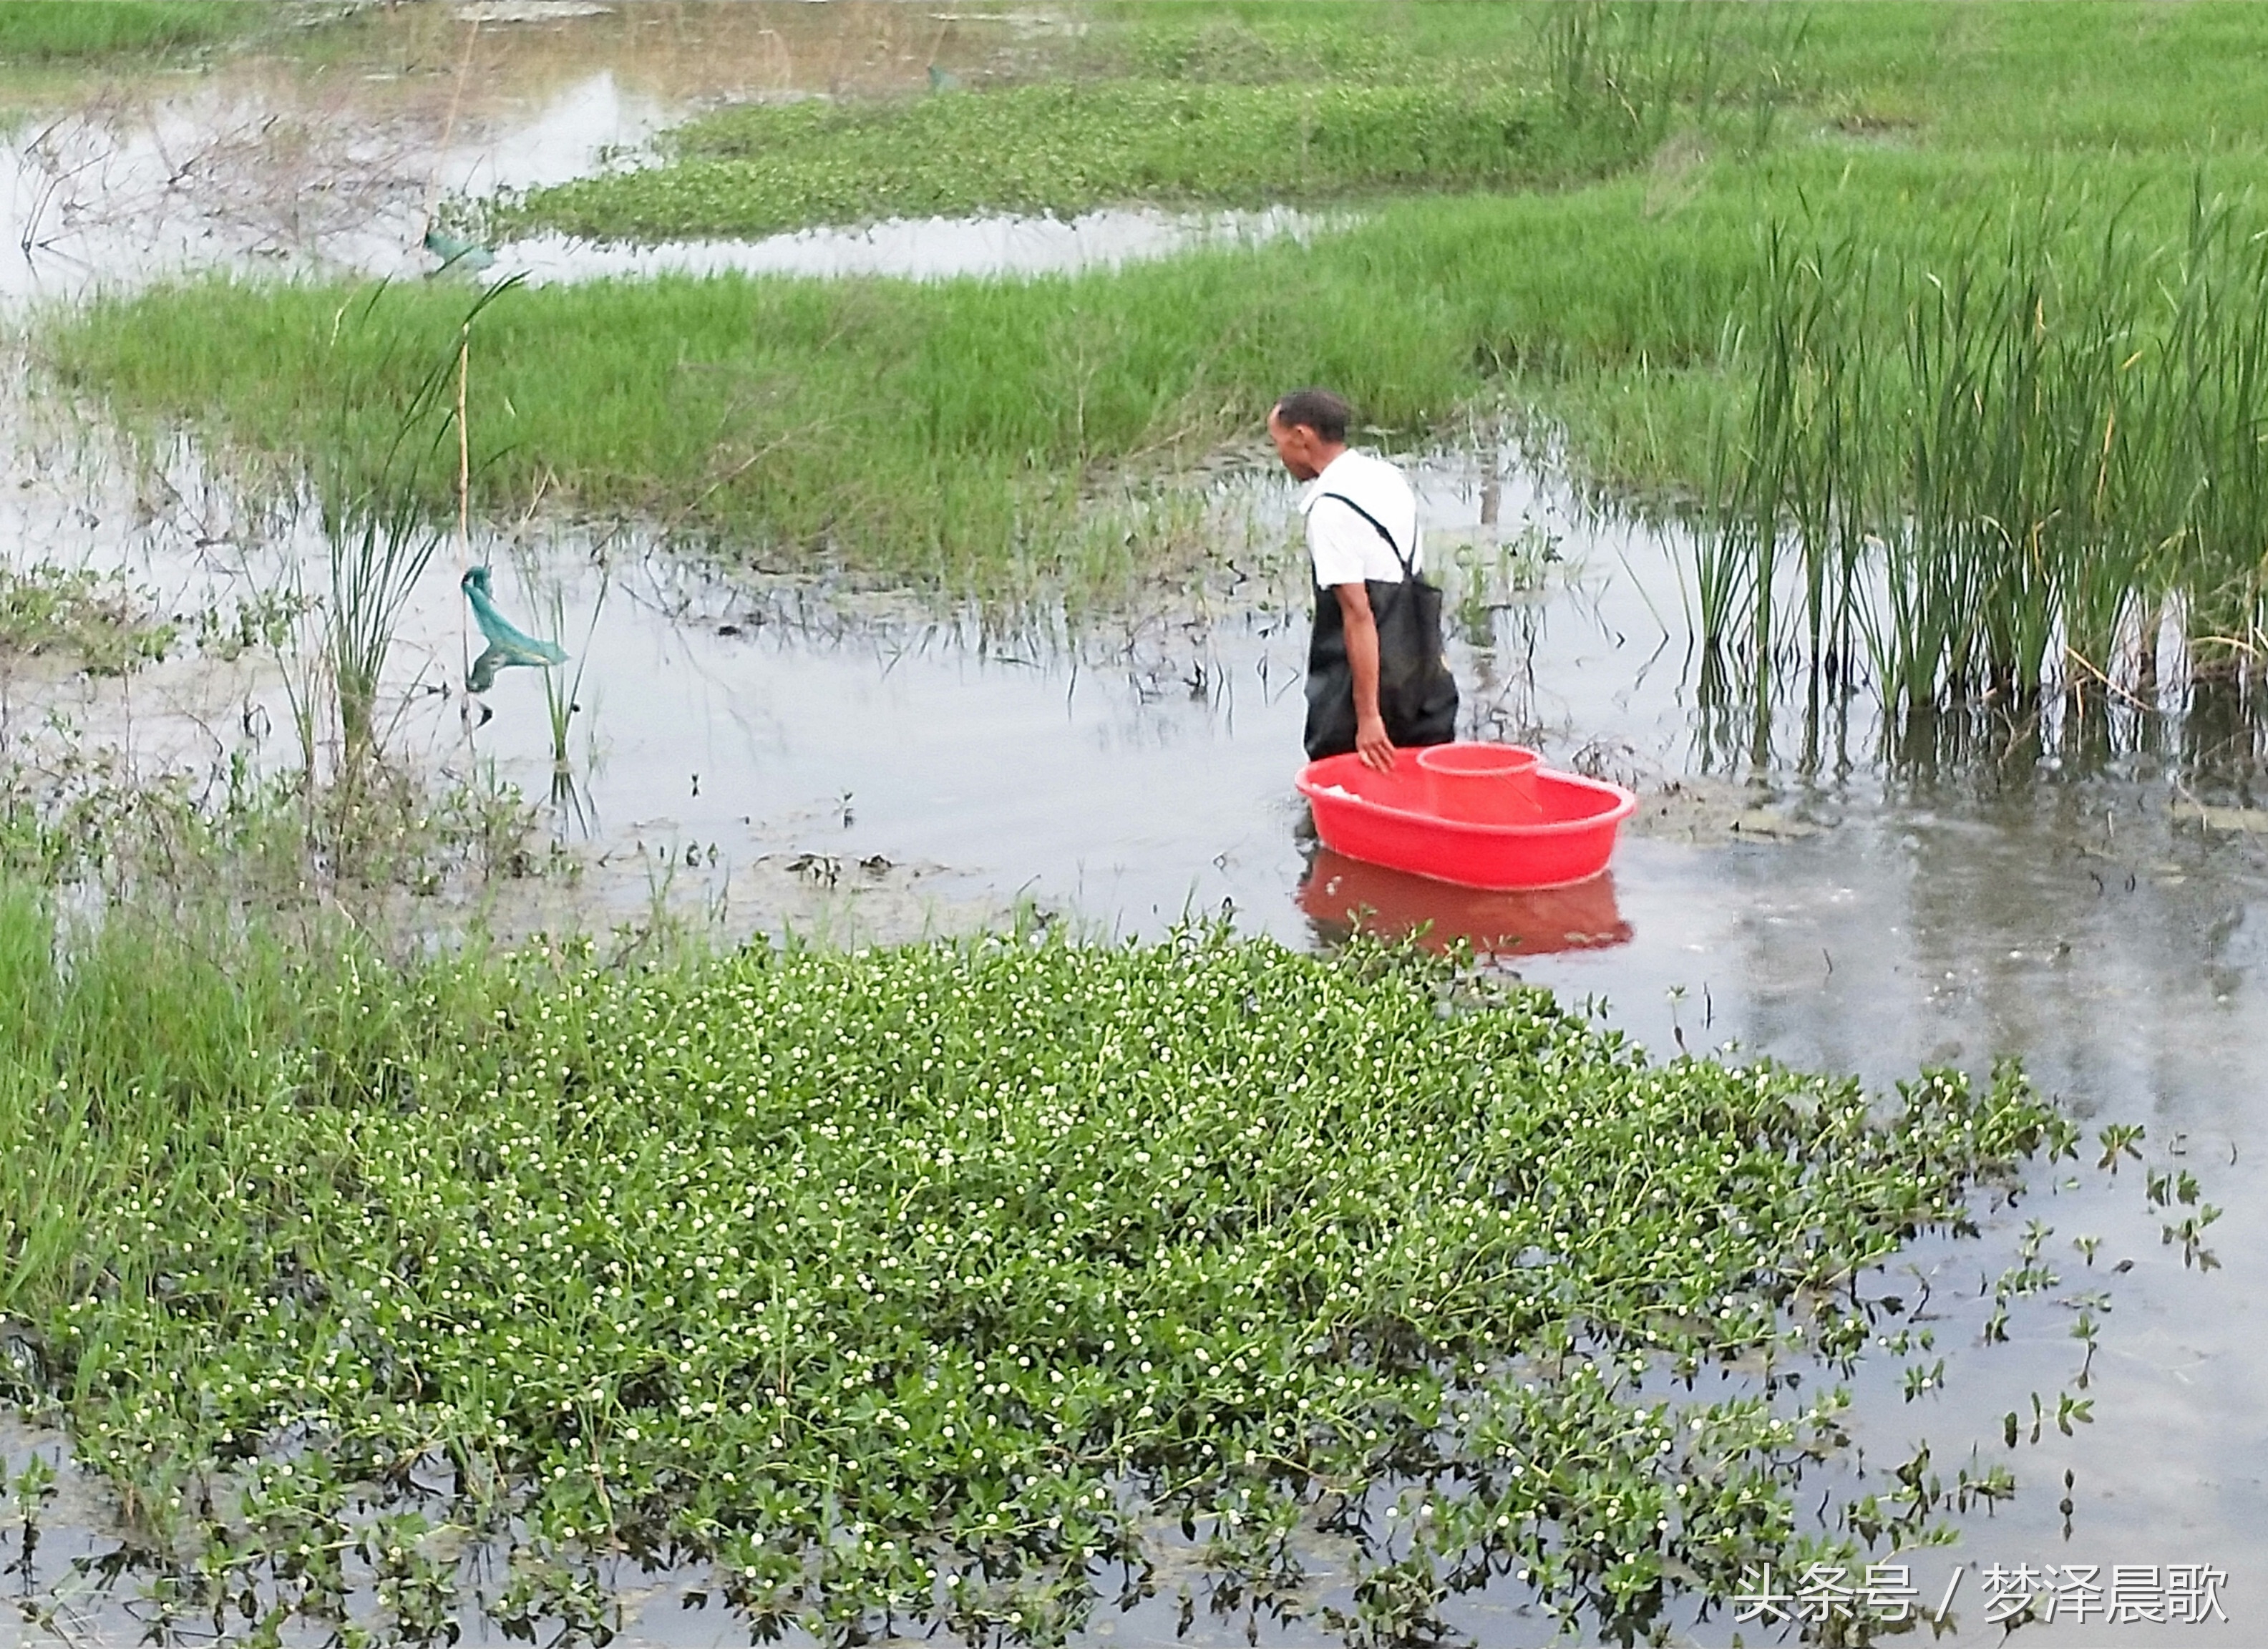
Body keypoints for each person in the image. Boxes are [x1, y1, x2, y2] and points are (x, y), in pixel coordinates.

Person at [1267, 388, 1458, 770]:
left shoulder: (1330, 510)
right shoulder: (1387, 477)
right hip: (1421, 666)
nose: (1280, 455)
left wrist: (1369, 718)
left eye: (1279, 442)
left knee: (1343, 782)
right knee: (1422, 779)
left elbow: (1358, 614)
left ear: (1302, 436)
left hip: (1368, 679)